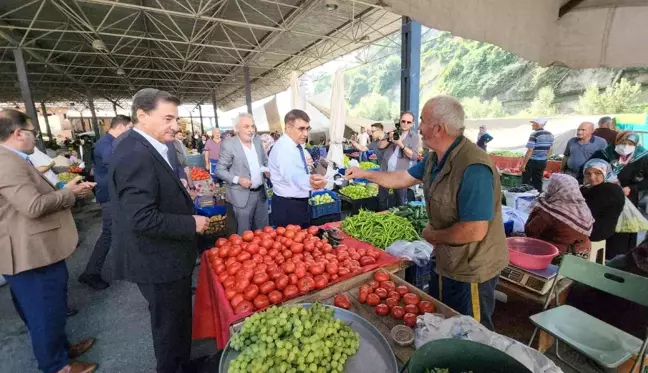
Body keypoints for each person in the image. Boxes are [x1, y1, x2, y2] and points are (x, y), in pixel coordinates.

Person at [346, 96, 508, 330]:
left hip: (473, 268)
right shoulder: (436, 157)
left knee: (473, 332)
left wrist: (433, 236)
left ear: (438, 128)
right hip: (447, 259)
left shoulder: (473, 167)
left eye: (422, 121)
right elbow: (403, 177)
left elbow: (474, 230)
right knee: (445, 321)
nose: (418, 127)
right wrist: (364, 173)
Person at [110, 89, 209, 373]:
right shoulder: (133, 152)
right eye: (168, 118)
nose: (175, 126)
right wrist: (191, 223)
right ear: (142, 116)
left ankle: (183, 363)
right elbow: (141, 217)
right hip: (156, 260)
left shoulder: (146, 145)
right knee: (168, 325)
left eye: (175, 118)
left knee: (177, 318)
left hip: (165, 256)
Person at [0, 109, 98, 373]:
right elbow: (32, 206)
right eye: (33, 132)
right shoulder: (7, 162)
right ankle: (57, 366)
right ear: (18, 133)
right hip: (30, 252)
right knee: (44, 310)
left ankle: (60, 349)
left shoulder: (14, 159)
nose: (36, 138)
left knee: (45, 308)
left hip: (32, 248)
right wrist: (69, 194)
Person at [78, 115, 132, 290]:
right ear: (122, 127)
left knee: (120, 229)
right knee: (108, 232)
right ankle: (90, 273)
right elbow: (118, 165)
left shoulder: (110, 142)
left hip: (115, 194)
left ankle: (126, 265)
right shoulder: (106, 144)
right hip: (109, 196)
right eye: (130, 129)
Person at [567, 238, 648, 339]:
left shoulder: (623, 261)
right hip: (634, 337)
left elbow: (595, 281)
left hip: (596, 319)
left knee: (577, 285)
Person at [589, 131, 648, 259]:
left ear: (636, 145)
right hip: (604, 197)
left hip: (628, 198)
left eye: (630, 143)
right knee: (605, 225)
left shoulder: (642, 156)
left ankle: (621, 257)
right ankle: (602, 255)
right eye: (622, 142)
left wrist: (632, 188)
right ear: (616, 142)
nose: (626, 146)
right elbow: (588, 169)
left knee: (623, 231)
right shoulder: (604, 154)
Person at [268, 109, 327, 228]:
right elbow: (293, 176)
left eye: (307, 128)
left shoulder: (296, 146)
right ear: (288, 128)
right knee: (293, 243)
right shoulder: (283, 149)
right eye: (301, 129)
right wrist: (310, 181)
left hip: (298, 201)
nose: (305, 134)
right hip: (288, 206)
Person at [216, 113, 270, 234]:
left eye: (252, 126)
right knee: (243, 235)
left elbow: (264, 161)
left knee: (263, 233)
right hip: (242, 197)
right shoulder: (229, 144)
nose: (251, 130)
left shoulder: (257, 141)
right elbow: (219, 170)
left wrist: (267, 170)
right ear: (237, 129)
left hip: (261, 195)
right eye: (246, 126)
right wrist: (238, 179)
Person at [525, 173, 593, 259]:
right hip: (583, 252)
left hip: (559, 256)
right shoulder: (582, 206)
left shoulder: (550, 211)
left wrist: (537, 209)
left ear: (554, 187)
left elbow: (529, 231)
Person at [376, 112, 420, 209]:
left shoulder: (414, 137)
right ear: (399, 121)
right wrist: (389, 139)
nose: (405, 123)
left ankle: (400, 219)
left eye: (408, 122)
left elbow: (414, 156)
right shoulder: (392, 132)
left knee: (400, 201)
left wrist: (400, 144)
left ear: (412, 124)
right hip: (385, 171)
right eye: (403, 121)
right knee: (382, 200)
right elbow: (380, 146)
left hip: (400, 174)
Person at [580, 159, 625, 243]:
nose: (592, 177)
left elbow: (587, 211)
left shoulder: (609, 190)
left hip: (596, 231)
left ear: (606, 173)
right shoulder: (595, 187)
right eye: (588, 173)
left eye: (598, 173)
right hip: (599, 228)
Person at [521, 117, 554, 192]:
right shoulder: (550, 134)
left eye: (533, 123)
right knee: (538, 181)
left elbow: (530, 150)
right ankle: (538, 197)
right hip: (542, 162)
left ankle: (525, 197)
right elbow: (550, 150)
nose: (532, 125)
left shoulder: (534, 134)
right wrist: (545, 159)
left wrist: (524, 164)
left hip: (532, 161)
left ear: (537, 124)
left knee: (526, 181)